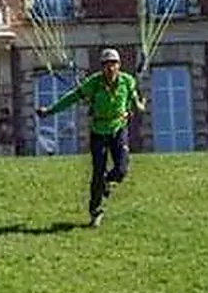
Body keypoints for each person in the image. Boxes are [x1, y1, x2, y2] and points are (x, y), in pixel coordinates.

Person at [35, 47, 146, 226]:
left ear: (119, 65)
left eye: (113, 64)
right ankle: (96, 211)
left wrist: (140, 106)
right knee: (97, 172)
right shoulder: (93, 83)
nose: (110, 68)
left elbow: (135, 101)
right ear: (102, 67)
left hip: (118, 128)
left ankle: (107, 182)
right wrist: (50, 110)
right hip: (98, 131)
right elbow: (72, 98)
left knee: (121, 169)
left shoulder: (127, 81)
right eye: (106, 64)